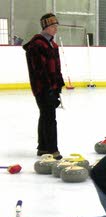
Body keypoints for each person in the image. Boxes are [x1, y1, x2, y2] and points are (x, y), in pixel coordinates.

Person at [23, 13, 65, 160]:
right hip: (42, 88)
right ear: (45, 27)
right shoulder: (37, 45)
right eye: (53, 26)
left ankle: (42, 147)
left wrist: (58, 86)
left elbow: (57, 68)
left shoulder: (53, 45)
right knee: (50, 118)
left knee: (45, 115)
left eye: (56, 26)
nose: (55, 29)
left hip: (51, 87)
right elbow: (39, 70)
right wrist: (48, 89)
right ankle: (53, 149)